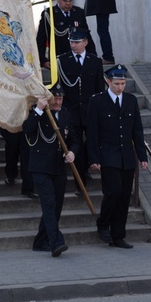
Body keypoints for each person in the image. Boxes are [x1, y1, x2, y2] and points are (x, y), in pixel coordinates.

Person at [87, 64, 147, 249]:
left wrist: (142, 156)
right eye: (117, 84)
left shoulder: (130, 101)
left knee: (124, 197)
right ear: (108, 82)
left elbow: (137, 130)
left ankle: (118, 235)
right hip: (107, 155)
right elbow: (92, 132)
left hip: (126, 156)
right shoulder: (97, 101)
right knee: (113, 192)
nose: (120, 87)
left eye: (123, 83)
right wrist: (94, 158)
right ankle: (103, 223)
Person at [24, 84, 78, 257]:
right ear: (48, 98)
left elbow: (75, 140)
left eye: (61, 98)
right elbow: (27, 129)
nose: (58, 102)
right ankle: (56, 242)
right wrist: (39, 109)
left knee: (56, 207)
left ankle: (40, 241)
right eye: (55, 98)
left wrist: (72, 152)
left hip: (58, 167)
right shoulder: (38, 112)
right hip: (40, 166)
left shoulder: (66, 114)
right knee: (49, 204)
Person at [57, 26, 105, 189]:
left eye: (77, 42)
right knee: (75, 144)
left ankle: (86, 168)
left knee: (91, 142)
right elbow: (60, 86)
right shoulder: (62, 61)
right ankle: (80, 184)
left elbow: (99, 89)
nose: (73, 45)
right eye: (71, 41)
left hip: (90, 111)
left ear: (85, 42)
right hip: (71, 111)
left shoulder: (95, 61)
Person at [35, 0, 96, 68]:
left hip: (78, 57)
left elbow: (86, 36)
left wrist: (93, 55)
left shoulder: (78, 12)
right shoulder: (49, 14)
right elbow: (41, 40)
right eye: (65, 0)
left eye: (70, 0)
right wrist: (43, 60)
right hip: (59, 59)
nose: (68, 3)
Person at [1, 128, 36, 199]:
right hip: (10, 126)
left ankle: (28, 187)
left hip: (25, 127)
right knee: (11, 152)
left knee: (26, 157)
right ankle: (11, 175)